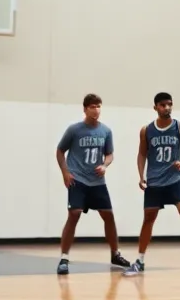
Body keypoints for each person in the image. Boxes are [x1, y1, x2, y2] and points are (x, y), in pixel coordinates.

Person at [125, 92, 180, 275]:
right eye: (163, 105)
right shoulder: (147, 130)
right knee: (148, 219)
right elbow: (142, 153)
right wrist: (141, 176)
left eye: (169, 104)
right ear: (155, 107)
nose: (167, 108)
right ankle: (140, 261)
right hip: (155, 182)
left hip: (175, 180)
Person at [56, 94, 130, 274]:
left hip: (97, 181)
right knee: (74, 214)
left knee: (108, 215)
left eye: (98, 106)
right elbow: (60, 151)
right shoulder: (74, 130)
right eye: (92, 107)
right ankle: (64, 257)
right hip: (78, 179)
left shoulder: (106, 131)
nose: (96, 110)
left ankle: (115, 253)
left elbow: (110, 154)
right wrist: (65, 173)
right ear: (85, 109)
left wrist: (105, 165)